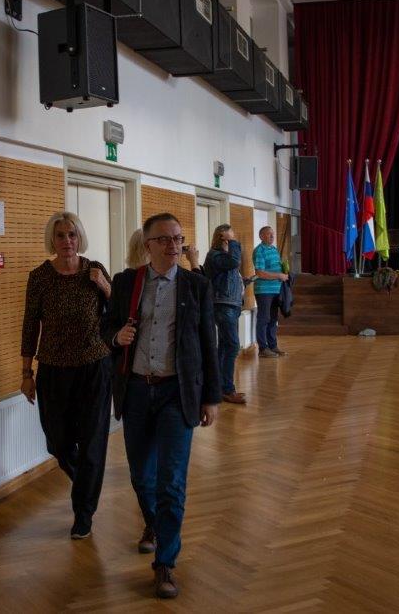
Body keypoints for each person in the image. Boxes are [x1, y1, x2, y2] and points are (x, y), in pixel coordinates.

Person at [102, 213, 221, 599]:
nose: (174, 246)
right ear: (148, 244)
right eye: (165, 239)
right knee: (142, 476)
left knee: (171, 481)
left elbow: (208, 343)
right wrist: (116, 336)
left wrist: (212, 396)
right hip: (136, 391)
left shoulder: (196, 285)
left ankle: (165, 562)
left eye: (178, 239)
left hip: (177, 393)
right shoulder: (126, 283)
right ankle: (153, 523)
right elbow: (106, 328)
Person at [20, 212, 113, 540]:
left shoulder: (95, 270)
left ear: (79, 237)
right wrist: (26, 372)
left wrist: (105, 286)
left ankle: (83, 513)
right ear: (52, 240)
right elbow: (30, 326)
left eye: (72, 234)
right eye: (60, 235)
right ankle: (86, 483)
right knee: (57, 440)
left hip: (94, 367)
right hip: (54, 370)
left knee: (92, 442)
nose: (67, 241)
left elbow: (118, 312)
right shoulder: (40, 277)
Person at [203, 224, 247, 405]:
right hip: (223, 305)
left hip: (231, 305)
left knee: (225, 347)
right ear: (222, 237)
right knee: (232, 345)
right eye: (230, 236)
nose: (233, 238)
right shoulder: (215, 255)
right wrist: (234, 242)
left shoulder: (224, 256)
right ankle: (227, 389)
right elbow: (234, 262)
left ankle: (220, 388)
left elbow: (231, 270)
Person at [252, 225, 289, 357]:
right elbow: (260, 273)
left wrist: (284, 271)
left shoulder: (274, 249)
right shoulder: (259, 251)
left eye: (273, 234)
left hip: (276, 290)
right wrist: (279, 275)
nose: (272, 236)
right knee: (264, 318)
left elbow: (275, 269)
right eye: (269, 234)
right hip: (264, 290)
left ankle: (273, 346)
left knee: (273, 319)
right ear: (261, 236)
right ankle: (263, 349)